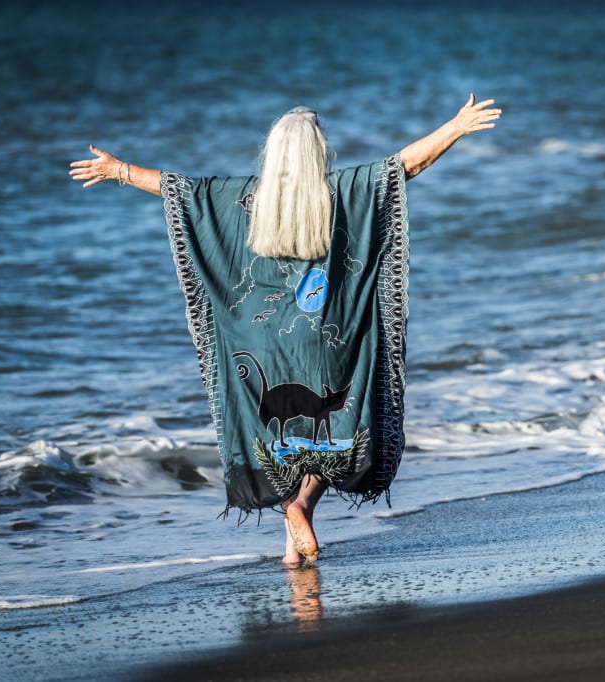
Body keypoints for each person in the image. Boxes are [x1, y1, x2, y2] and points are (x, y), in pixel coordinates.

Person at [70, 95, 500, 567]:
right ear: (318, 152)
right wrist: (455, 127)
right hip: (321, 335)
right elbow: (402, 168)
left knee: (283, 436)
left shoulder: (243, 199)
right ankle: (300, 506)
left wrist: (120, 170)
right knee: (332, 428)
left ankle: (291, 549)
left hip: (262, 335)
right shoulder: (339, 192)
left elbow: (182, 191)